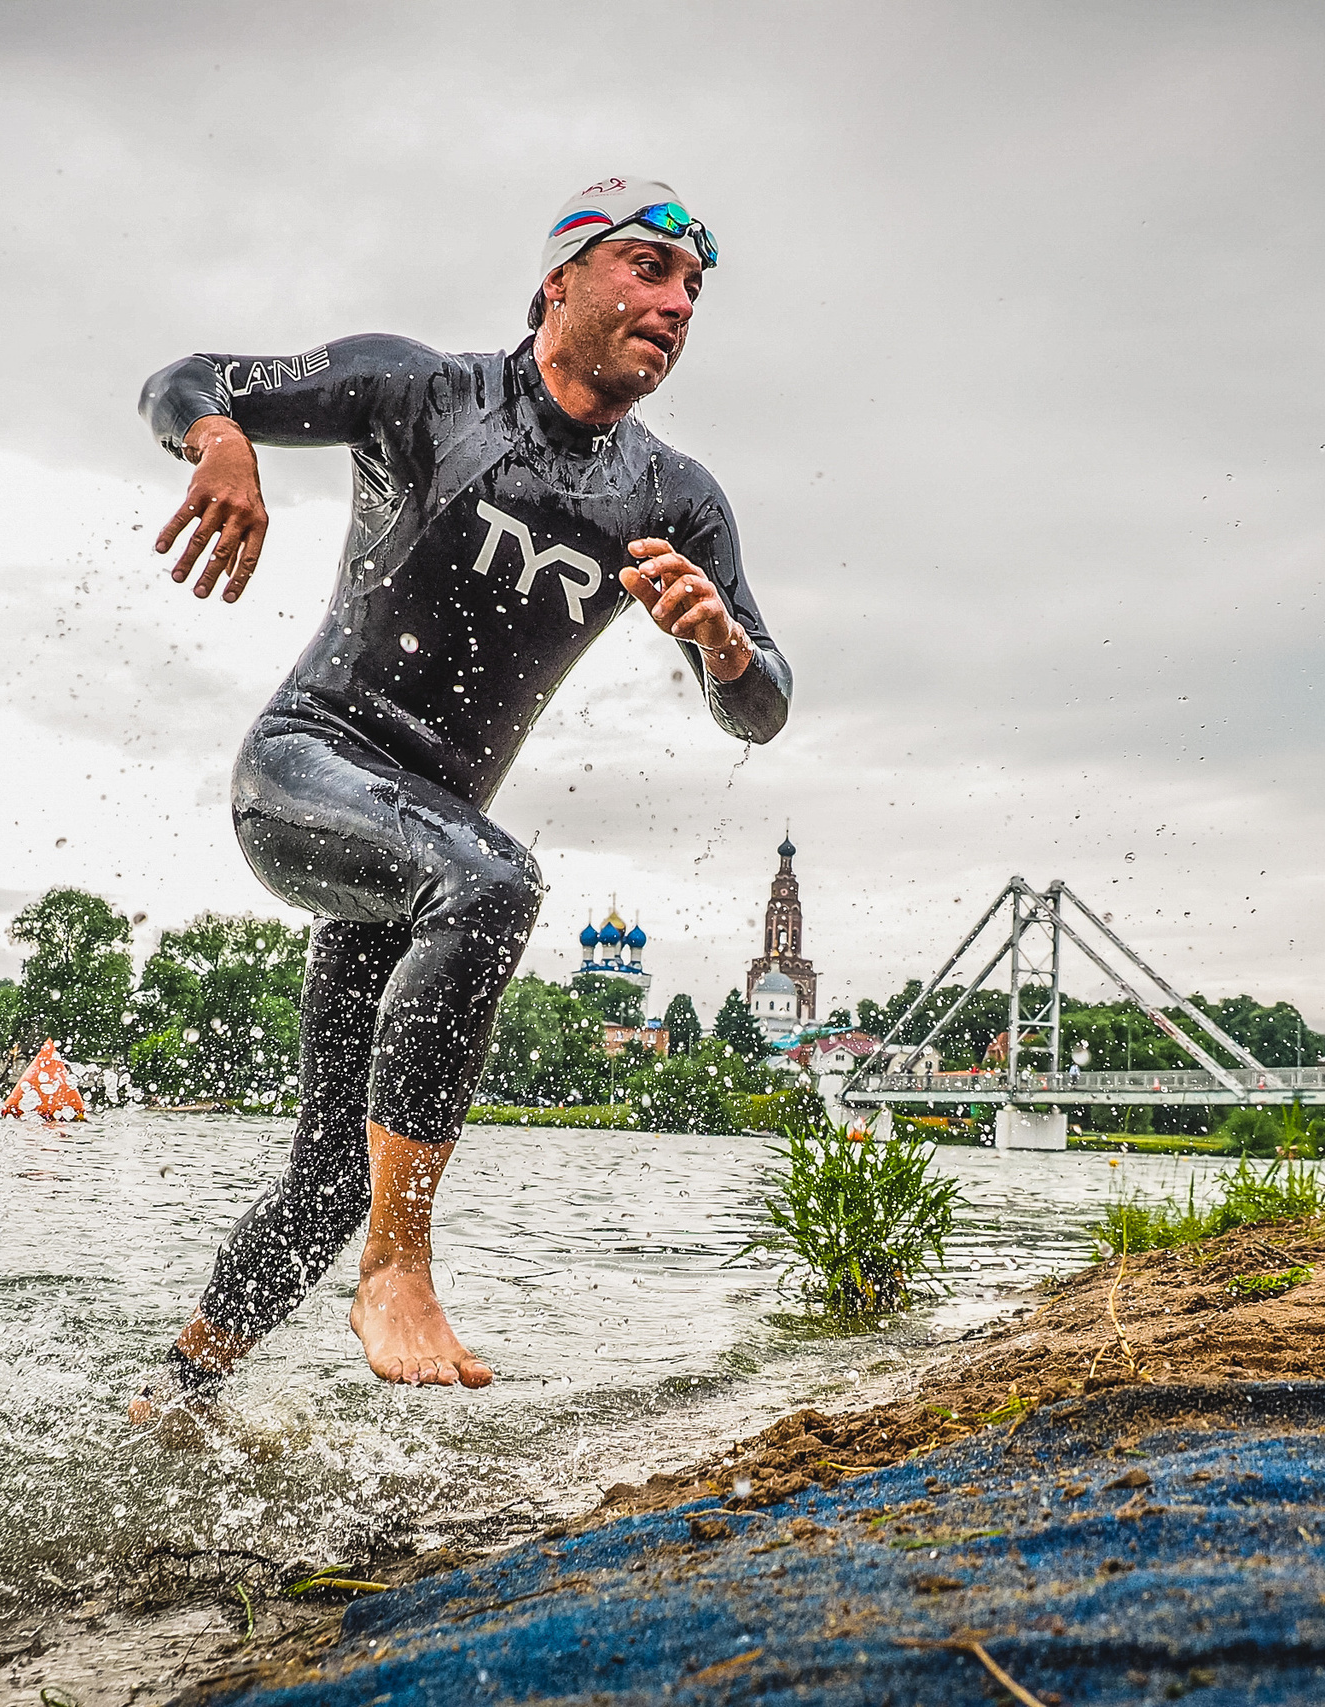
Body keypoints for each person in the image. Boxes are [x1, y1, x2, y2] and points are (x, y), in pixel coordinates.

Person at [128, 177, 790, 1408]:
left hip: (416, 856)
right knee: (493, 877)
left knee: (327, 1179)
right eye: (649, 270)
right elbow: (190, 377)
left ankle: (173, 1403)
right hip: (306, 769)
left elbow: (763, 704)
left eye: (694, 287)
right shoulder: (421, 390)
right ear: (560, 280)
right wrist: (222, 446)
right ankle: (402, 1263)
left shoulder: (675, 497)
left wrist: (725, 646)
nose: (677, 302)